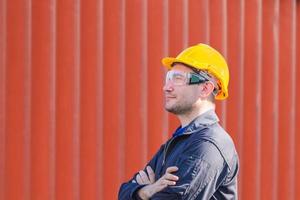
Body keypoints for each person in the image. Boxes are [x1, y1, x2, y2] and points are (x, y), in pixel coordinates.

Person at [118, 43, 239, 199]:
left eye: (178, 79)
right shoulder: (179, 141)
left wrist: (147, 192)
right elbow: (124, 192)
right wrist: (146, 191)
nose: (166, 87)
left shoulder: (209, 145)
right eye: (168, 78)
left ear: (205, 89)